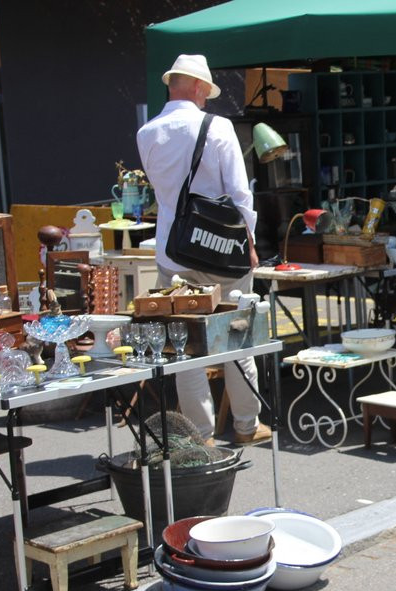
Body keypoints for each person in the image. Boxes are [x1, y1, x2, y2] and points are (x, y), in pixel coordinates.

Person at [137, 54, 271, 445]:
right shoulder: (218, 127)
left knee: (185, 346)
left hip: (174, 251)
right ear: (198, 86)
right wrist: (248, 239)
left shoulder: (147, 133)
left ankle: (201, 435)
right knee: (236, 335)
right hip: (221, 249)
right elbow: (239, 192)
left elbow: (165, 193)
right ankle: (246, 426)